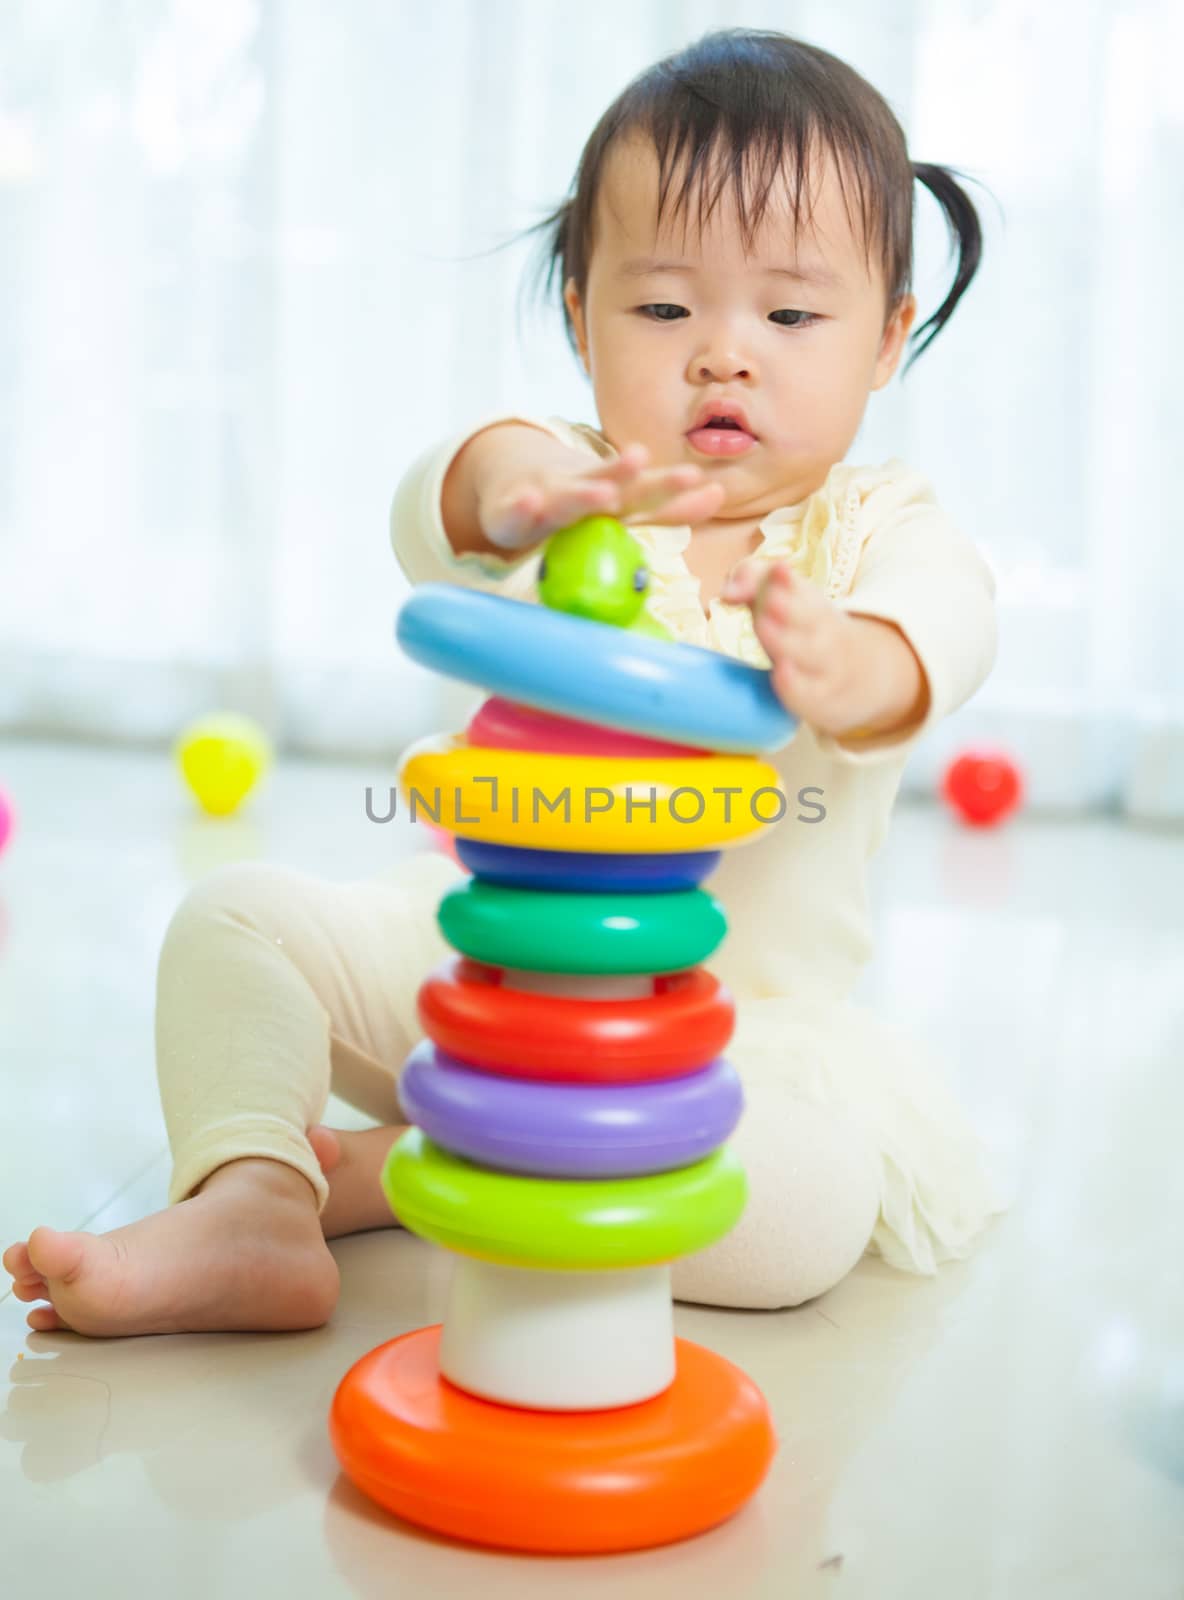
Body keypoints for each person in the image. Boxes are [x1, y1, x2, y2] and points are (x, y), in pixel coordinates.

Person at [3, 28, 1004, 1336]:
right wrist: (513, 491)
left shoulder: (875, 533)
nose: (723, 353)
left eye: (792, 313)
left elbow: (946, 628)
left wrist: (851, 660)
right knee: (236, 919)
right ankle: (252, 1193)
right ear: (582, 320)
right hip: (485, 961)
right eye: (663, 308)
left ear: (885, 341)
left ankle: (393, 1176)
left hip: (718, 1040)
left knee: (808, 1210)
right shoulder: (572, 489)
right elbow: (449, 495)